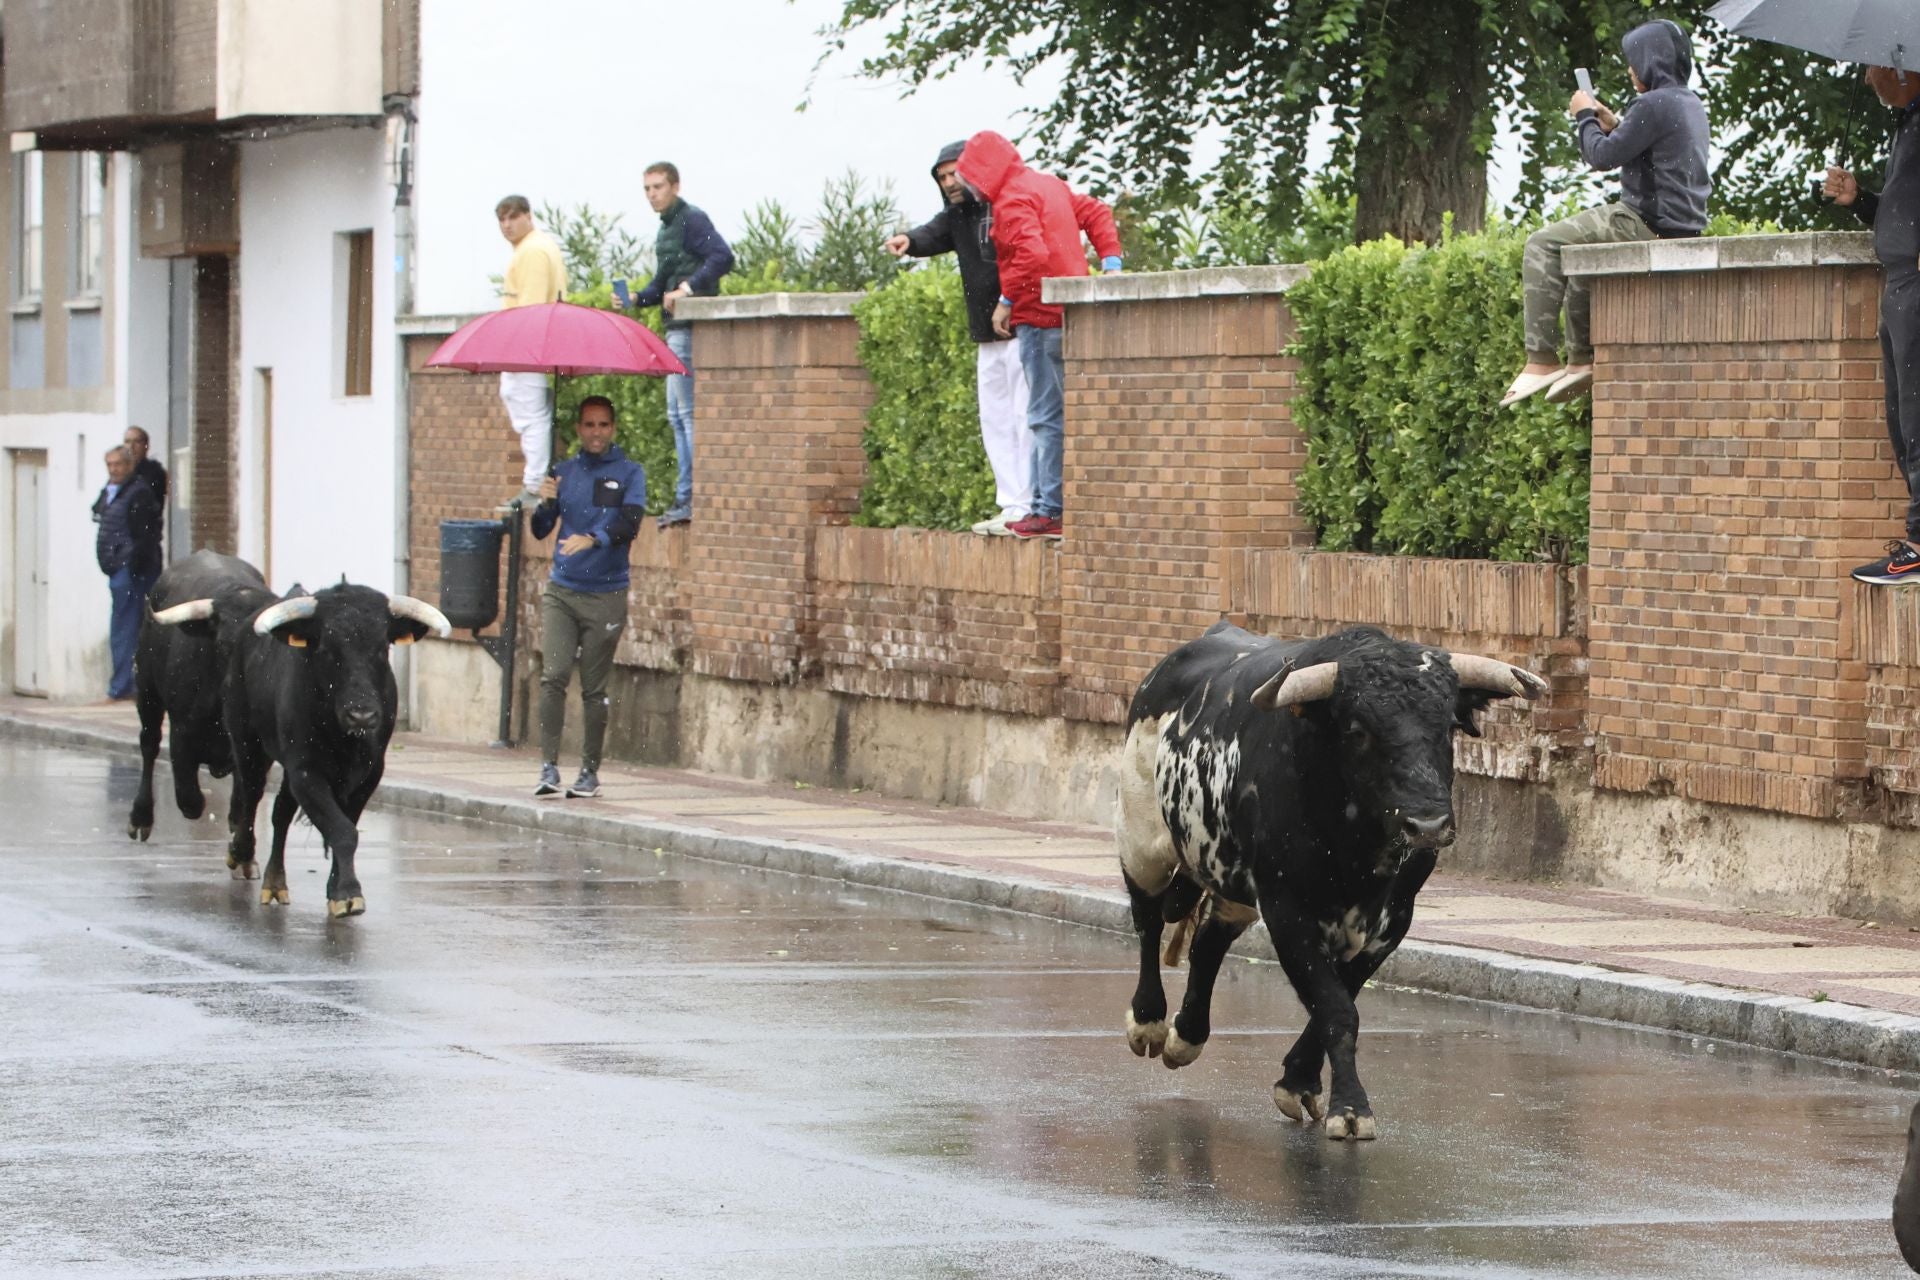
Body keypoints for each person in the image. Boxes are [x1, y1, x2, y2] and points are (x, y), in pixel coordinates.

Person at [1502, 19, 1709, 408]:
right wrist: (1614, 124)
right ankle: (1581, 360)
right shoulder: (1686, 102)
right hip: (1681, 227)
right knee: (1581, 258)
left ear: (1652, 63)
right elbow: (1642, 145)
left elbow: (1600, 157)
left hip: (1645, 223)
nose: (1631, 70)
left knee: (1543, 244)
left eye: (1634, 62)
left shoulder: (1652, 104)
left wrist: (1584, 116)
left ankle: (1541, 359)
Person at [955, 130, 1123, 541]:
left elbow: (1032, 256)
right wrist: (1112, 263)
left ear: (983, 173)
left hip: (1040, 320)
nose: (970, 189)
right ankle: (1050, 505)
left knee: (1045, 418)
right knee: (1062, 412)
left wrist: (1007, 300)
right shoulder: (1047, 185)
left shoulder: (1011, 200)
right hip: (1071, 315)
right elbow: (1097, 212)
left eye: (969, 178)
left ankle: (1050, 510)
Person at [887, 142, 1033, 536]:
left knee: (1025, 418)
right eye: (942, 177)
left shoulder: (1007, 204)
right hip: (986, 335)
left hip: (1023, 329)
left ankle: (1033, 504)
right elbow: (933, 233)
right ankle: (1012, 504)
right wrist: (909, 241)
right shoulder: (958, 214)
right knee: (997, 421)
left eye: (955, 174)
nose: (950, 182)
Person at [1827, 67, 1920, 585]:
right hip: (1902, 283)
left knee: (1917, 415)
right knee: (1902, 419)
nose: (1867, 78)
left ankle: (1919, 544)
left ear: (1902, 68)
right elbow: (1906, 216)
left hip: (1918, 285)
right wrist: (1860, 200)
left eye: (1873, 66)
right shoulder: (1908, 123)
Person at [529, 396, 646, 799]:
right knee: (553, 676)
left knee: (594, 689)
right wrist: (545, 500)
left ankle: (589, 772)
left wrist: (593, 538)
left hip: (607, 593)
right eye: (589, 425)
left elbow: (629, 524)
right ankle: (548, 768)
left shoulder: (630, 473)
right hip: (562, 591)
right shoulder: (564, 472)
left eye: (603, 425)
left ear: (612, 429)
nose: (596, 433)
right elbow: (541, 530)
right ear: (578, 429)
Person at [614, 162, 734, 528]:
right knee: (676, 416)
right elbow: (662, 282)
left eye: (658, 187)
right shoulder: (666, 229)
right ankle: (685, 496)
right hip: (673, 328)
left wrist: (687, 288)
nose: (652, 194)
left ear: (675, 186)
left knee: (687, 415)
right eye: (647, 189)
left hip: (687, 326)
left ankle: (691, 498)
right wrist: (636, 297)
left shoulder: (691, 219)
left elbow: (723, 257)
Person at [495, 194, 568, 507]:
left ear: (528, 216)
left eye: (513, 217)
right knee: (528, 411)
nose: (507, 225)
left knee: (531, 416)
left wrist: (516, 349)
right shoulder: (536, 247)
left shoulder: (533, 251)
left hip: (528, 347)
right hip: (533, 346)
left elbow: (532, 307)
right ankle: (536, 481)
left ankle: (535, 484)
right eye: (502, 219)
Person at [91, 445, 163, 701]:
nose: (113, 470)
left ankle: (124, 686)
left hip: (131, 572)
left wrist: (131, 564)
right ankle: (123, 684)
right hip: (118, 569)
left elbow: (146, 535)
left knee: (127, 629)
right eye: (109, 465)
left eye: (118, 465)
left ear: (129, 466)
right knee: (122, 627)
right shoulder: (114, 492)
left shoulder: (138, 493)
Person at [123, 426, 167, 504]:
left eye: (137, 441)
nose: (131, 446)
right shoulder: (120, 470)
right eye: (127, 441)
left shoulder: (154, 472)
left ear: (146, 445)